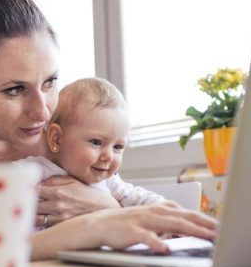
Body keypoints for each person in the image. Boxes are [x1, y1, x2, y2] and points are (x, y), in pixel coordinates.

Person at [0, 0, 217, 260]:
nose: (42, 112)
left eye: (50, 82)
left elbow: (115, 194)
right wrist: (94, 224)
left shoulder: (64, 127)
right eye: (15, 90)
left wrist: (105, 207)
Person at [19, 77, 180, 230]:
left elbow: (141, 200)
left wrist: (171, 216)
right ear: (57, 139)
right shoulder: (36, 171)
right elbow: (0, 190)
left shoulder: (110, 182)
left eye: (117, 147)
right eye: (96, 142)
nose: (108, 156)